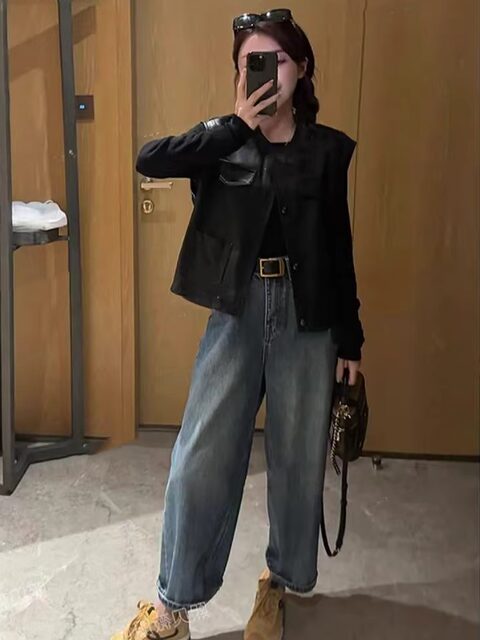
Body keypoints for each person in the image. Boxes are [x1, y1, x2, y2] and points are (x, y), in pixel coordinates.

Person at [112, 7, 364, 640]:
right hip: (237, 311)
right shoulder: (223, 142)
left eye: (273, 60)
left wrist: (352, 339)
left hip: (309, 320)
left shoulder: (327, 151)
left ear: (300, 67)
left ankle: (276, 584)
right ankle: (172, 608)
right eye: (250, 63)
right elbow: (149, 158)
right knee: (199, 456)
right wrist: (232, 126)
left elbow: (339, 248)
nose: (263, 73)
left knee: (297, 461)